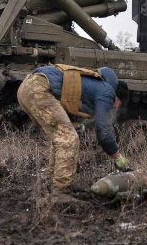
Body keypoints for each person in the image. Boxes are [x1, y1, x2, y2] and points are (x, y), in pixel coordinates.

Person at [17, 64, 130, 203]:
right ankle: (60, 192)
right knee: (68, 139)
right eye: (118, 104)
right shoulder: (107, 91)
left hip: (27, 87)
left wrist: (74, 125)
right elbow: (103, 131)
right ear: (118, 97)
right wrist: (117, 157)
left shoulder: (91, 84)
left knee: (59, 137)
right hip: (39, 90)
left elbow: (66, 104)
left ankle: (52, 183)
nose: (115, 107)